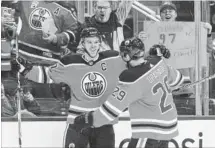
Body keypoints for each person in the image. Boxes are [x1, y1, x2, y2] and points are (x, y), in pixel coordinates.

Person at [24, 27, 170, 148]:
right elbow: (47, 75)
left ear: (100, 43)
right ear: (82, 43)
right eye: (89, 42)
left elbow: (138, 63)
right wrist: (25, 69)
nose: (93, 45)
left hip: (104, 123)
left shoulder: (114, 58)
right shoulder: (70, 62)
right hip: (78, 122)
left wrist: (156, 55)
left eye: (96, 42)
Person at [73, 38, 189, 148]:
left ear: (126, 56)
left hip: (149, 131)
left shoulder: (130, 77)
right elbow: (179, 81)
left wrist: (87, 119)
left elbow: (109, 112)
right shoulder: (158, 62)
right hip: (168, 128)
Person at [139, 2, 213, 97]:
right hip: (160, 86)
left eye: (170, 11)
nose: (167, 13)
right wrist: (143, 43)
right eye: (164, 11)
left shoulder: (187, 31)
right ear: (160, 15)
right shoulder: (151, 32)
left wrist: (208, 34)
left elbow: (207, 49)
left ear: (176, 14)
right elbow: (141, 58)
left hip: (183, 87)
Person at [7, 1, 80, 66]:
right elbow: (11, 9)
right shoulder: (25, 2)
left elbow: (74, 33)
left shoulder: (67, 9)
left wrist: (56, 38)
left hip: (49, 60)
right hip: (22, 56)